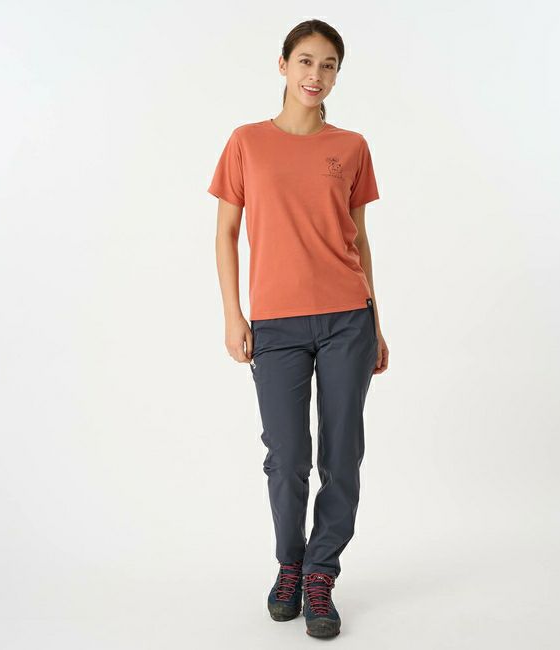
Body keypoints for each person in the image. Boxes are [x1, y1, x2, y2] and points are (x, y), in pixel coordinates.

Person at [207, 18, 389, 639]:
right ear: (283, 65)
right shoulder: (246, 142)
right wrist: (233, 314)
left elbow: (359, 240)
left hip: (347, 319)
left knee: (342, 454)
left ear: (337, 74)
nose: (316, 74)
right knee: (286, 459)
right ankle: (290, 564)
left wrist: (377, 322)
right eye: (306, 61)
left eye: (329, 64)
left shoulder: (352, 147)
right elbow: (226, 232)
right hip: (276, 324)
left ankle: (320, 575)